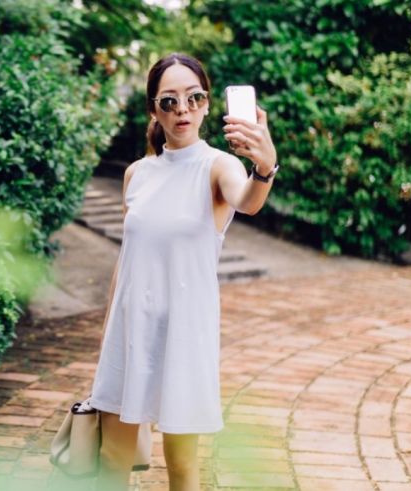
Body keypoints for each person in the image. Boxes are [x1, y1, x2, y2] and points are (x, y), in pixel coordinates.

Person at [88, 53, 278, 491]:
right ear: (154, 110)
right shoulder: (137, 173)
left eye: (194, 98)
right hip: (129, 329)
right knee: (112, 457)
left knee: (181, 468)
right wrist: (107, 334)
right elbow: (128, 256)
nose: (183, 110)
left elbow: (247, 201)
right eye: (169, 101)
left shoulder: (218, 166)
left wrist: (264, 167)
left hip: (183, 334)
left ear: (209, 104)